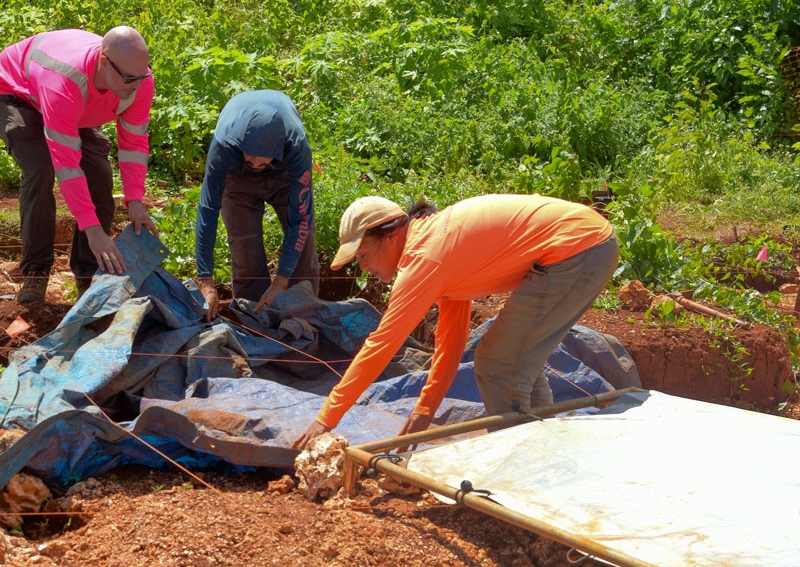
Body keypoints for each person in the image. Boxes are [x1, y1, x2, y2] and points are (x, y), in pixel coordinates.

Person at [293, 192, 618, 451]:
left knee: (498, 363)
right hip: (585, 243)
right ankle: (542, 456)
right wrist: (424, 411)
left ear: (389, 235)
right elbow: (450, 343)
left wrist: (327, 418)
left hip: (577, 249)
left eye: (363, 256)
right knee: (515, 363)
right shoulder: (436, 246)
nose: (363, 268)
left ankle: (519, 475)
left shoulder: (424, 258)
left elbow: (381, 346)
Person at [0, 26, 158, 305]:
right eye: (129, 79)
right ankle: (36, 273)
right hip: (16, 92)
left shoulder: (138, 81)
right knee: (40, 168)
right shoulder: (64, 81)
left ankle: (88, 275)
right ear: (104, 63)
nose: (135, 86)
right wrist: (92, 228)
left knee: (99, 174)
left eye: (141, 76)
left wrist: (135, 199)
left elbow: (134, 143)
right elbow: (66, 163)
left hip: (70, 104)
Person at [194, 90, 317, 321]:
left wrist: (281, 280)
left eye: (262, 160)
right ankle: (253, 323)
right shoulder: (224, 147)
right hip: (237, 180)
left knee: (303, 251)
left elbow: (300, 220)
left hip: (284, 175)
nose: (255, 164)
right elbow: (207, 211)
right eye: (250, 157)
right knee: (246, 251)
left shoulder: (296, 147)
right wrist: (206, 280)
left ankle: (305, 319)